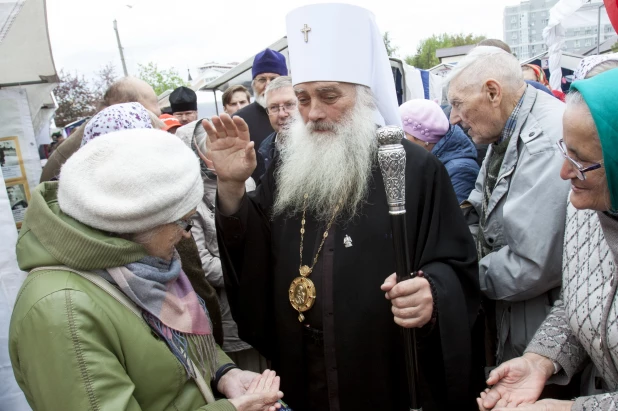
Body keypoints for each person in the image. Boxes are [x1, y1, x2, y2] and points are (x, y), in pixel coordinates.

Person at [209, 4, 481, 410]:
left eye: (328, 96)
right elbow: (256, 252)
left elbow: (457, 266)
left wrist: (432, 293)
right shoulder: (288, 167)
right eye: (302, 98)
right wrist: (231, 187)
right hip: (305, 370)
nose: (313, 112)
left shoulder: (414, 167)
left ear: (364, 95)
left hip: (384, 372)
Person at [9, 129, 284, 411]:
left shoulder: (138, 267)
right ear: (138, 222)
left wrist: (226, 374)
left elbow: (178, 348)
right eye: (184, 222)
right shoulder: (61, 310)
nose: (187, 236)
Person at [477, 67, 618, 411]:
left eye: (582, 160)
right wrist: (540, 360)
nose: (564, 172)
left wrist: (571, 409)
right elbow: (579, 298)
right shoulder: (583, 208)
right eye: (565, 151)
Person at [450, 46, 570, 367]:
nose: (453, 118)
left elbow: (531, 264)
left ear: (492, 92)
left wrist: (460, 279)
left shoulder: (544, 142)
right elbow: (479, 205)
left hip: (542, 337)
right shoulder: (502, 131)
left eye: (458, 104)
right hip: (517, 319)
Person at [174, 120, 267, 374]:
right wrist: (253, 271)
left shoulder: (245, 182)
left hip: (259, 305)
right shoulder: (189, 197)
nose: (217, 159)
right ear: (196, 154)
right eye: (211, 152)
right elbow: (202, 264)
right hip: (226, 312)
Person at [40, 77, 162, 182]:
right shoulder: (94, 146)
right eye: (149, 116)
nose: (156, 125)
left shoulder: (96, 133)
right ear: (124, 110)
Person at [400, 98, 479, 203]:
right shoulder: (427, 161)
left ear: (422, 139)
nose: (400, 141)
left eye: (403, 134)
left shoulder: (460, 170)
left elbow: (455, 216)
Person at [234, 48, 288, 180]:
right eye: (262, 80)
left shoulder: (299, 114)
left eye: (274, 79)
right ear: (253, 84)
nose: (268, 85)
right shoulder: (239, 120)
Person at [256, 76, 296, 180]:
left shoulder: (318, 144)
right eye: (273, 107)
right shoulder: (264, 148)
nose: (282, 114)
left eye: (289, 105)